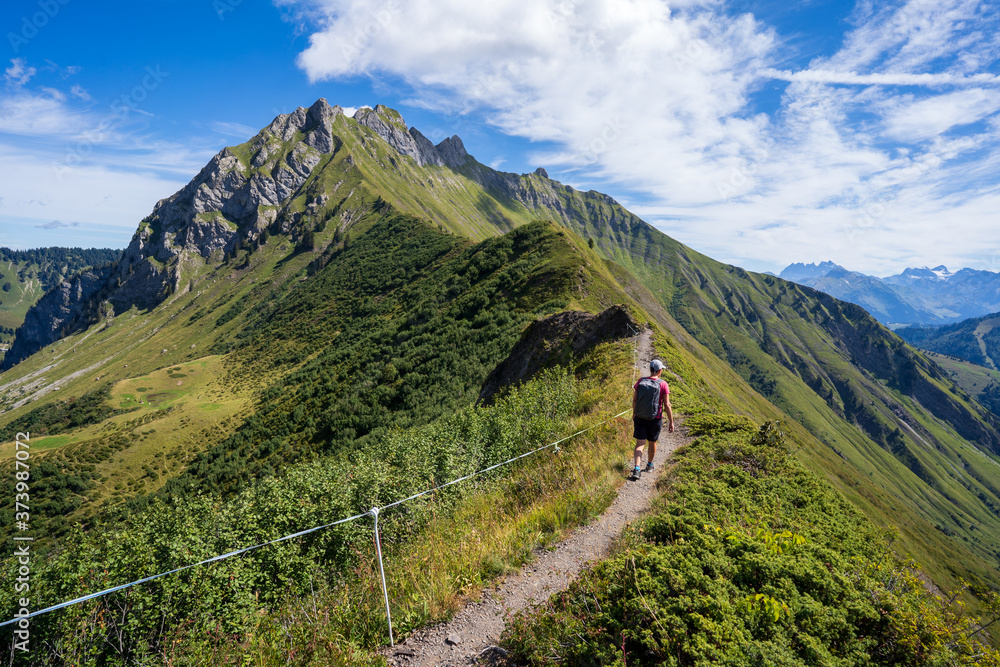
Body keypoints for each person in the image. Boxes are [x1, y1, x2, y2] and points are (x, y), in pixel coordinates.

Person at [630, 359, 673, 480]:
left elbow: (634, 400)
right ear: (659, 371)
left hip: (640, 417)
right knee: (652, 442)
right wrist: (671, 421)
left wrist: (634, 413)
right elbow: (667, 405)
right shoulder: (663, 384)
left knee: (640, 443)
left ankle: (636, 469)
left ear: (650, 369)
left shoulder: (641, 381)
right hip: (655, 418)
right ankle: (649, 465)